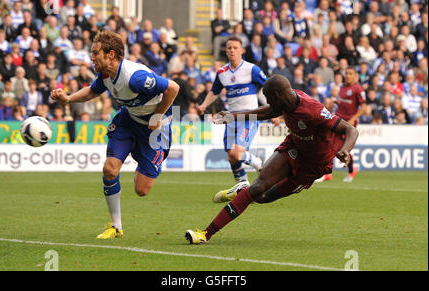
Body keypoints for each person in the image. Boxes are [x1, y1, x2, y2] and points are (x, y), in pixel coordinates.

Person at [185, 75, 359, 244]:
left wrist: (345, 150)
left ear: (278, 96)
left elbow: (351, 130)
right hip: (294, 147)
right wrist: (233, 115)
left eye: (269, 98)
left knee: (262, 197)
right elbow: (266, 112)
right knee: (258, 187)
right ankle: (205, 234)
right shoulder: (285, 101)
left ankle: (242, 190)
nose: (268, 103)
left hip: (314, 165)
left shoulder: (313, 110)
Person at [50, 30, 179, 239]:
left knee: (141, 190)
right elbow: (92, 91)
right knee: (110, 170)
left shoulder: (135, 78)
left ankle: (141, 155)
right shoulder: (105, 74)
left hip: (155, 128)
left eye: (95, 53)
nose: (91, 57)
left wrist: (158, 116)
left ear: (110, 54)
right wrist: (68, 99)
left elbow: (173, 88)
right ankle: (116, 226)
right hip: (128, 121)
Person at [198, 36, 267, 186]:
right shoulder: (222, 72)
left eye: (235, 47)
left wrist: (273, 109)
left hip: (249, 116)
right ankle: (243, 187)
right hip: (232, 118)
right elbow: (214, 91)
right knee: (231, 156)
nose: (232, 50)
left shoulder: (252, 69)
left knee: (237, 152)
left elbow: (268, 87)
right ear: (226, 51)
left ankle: (257, 163)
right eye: (229, 48)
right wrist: (204, 104)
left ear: (242, 51)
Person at [317, 67, 366, 183]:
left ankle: (330, 173)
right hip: (338, 119)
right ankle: (349, 170)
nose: (348, 76)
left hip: (348, 123)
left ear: (355, 76)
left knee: (338, 145)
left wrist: (353, 119)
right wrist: (334, 103)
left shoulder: (358, 89)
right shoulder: (343, 87)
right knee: (335, 144)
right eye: (347, 73)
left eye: (350, 74)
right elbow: (342, 103)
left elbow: (364, 107)